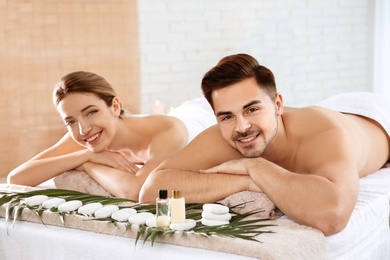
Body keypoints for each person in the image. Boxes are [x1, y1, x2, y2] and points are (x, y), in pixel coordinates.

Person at [139, 53, 390, 235]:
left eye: (252, 109)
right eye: (226, 116)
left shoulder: (326, 133)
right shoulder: (229, 134)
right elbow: (152, 190)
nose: (241, 127)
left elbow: (332, 217)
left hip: (378, 118)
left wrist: (257, 167)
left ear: (278, 104)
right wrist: (246, 181)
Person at [7, 71, 216, 200]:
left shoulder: (167, 133)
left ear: (115, 106)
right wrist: (82, 156)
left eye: (91, 112)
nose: (83, 130)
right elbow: (17, 177)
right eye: (70, 121)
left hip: (203, 117)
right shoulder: (86, 135)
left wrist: (88, 163)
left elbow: (136, 192)